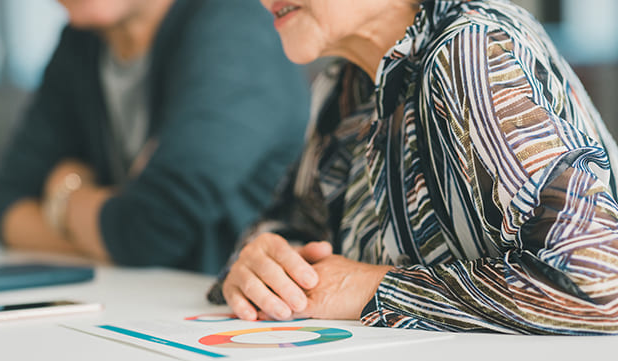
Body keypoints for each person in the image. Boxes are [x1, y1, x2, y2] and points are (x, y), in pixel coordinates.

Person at [208, 0, 618, 335]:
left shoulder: (470, 50)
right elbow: (290, 228)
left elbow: (599, 283)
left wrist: (370, 287)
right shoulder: (343, 86)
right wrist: (265, 268)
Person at [0, 0, 309, 273]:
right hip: (137, 313)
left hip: (241, 325)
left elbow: (151, 230)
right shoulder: (80, 43)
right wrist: (113, 232)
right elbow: (5, 204)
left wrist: (65, 199)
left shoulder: (234, 29)